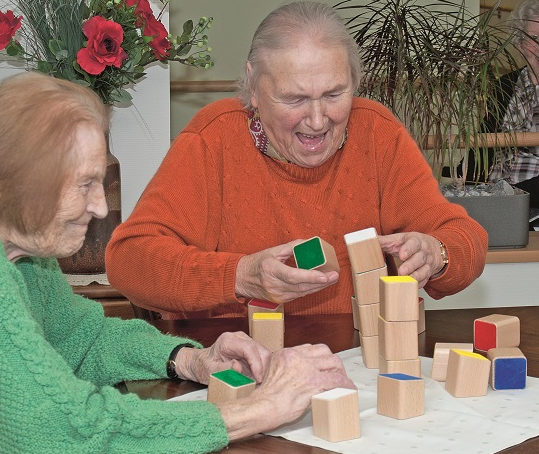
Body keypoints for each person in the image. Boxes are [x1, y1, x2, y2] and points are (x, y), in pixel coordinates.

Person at [0, 71, 356, 453]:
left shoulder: (26, 257)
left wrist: (188, 359)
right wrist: (263, 408)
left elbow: (85, 341)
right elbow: (73, 430)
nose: (101, 206)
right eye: (84, 184)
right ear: (20, 184)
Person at [106, 1, 488, 319]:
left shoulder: (377, 133)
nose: (319, 120)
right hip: (236, 367)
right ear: (254, 87)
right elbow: (128, 262)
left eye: (335, 94)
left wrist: (436, 253)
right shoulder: (214, 138)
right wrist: (240, 276)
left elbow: (466, 239)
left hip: (356, 362)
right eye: (295, 99)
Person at [447, 0, 539, 210]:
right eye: (533, 38)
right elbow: (485, 137)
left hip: (526, 194)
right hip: (496, 188)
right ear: (519, 43)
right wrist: (465, 184)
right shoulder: (505, 85)